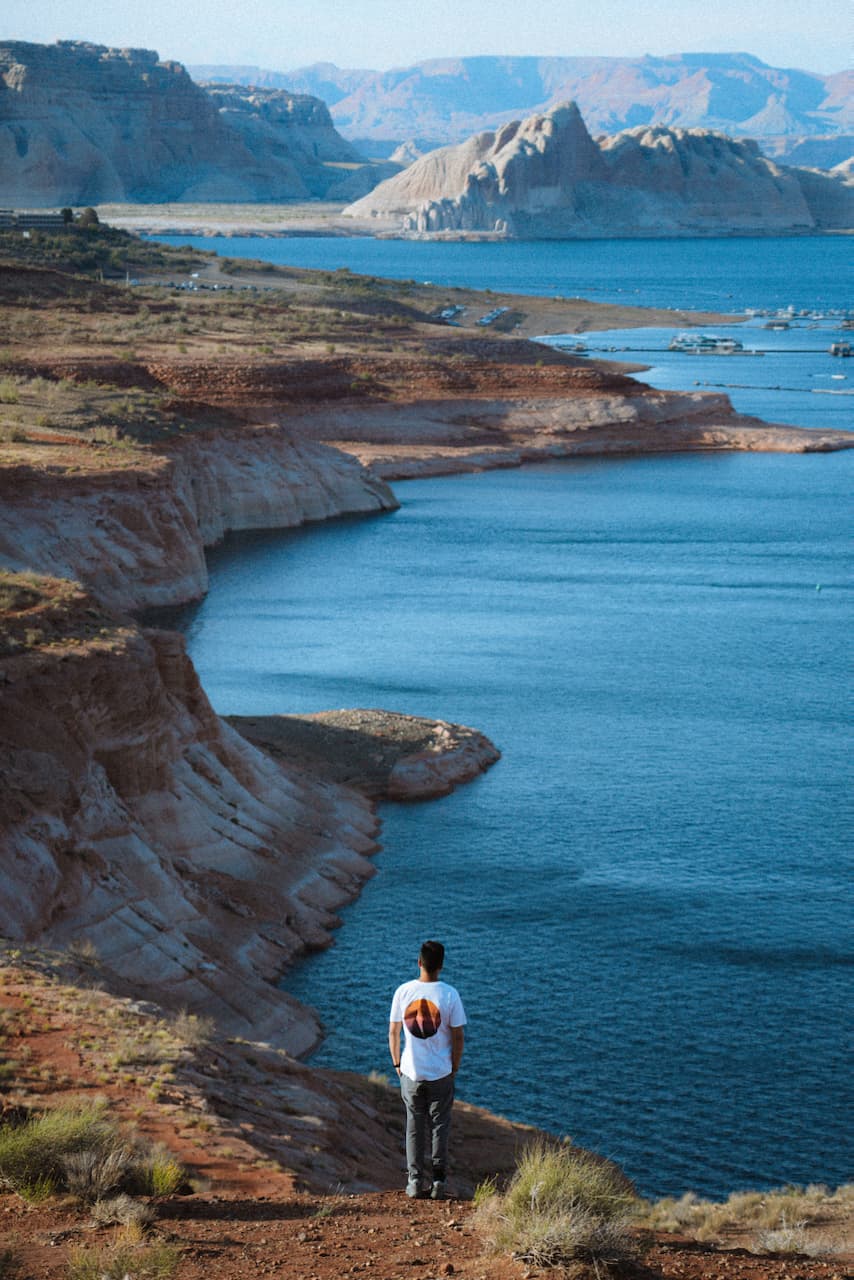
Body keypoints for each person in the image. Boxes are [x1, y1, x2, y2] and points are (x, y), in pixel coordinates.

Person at [388, 939, 466, 1200]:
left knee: (414, 1125)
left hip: (410, 1072)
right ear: (441, 965)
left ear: (419, 962)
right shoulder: (449, 994)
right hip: (440, 1073)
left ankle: (414, 1181)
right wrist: (454, 1066)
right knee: (439, 1126)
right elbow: (458, 1037)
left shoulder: (403, 992)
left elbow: (394, 1031)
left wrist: (397, 1063)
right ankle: (439, 1183)